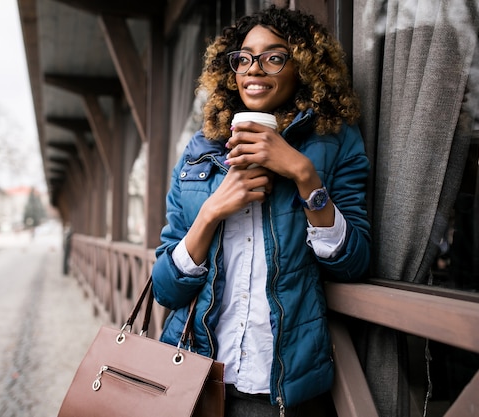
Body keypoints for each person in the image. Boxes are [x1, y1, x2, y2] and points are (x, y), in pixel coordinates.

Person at [151, 6, 371, 416]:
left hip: (277, 388)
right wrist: (211, 212)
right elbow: (166, 288)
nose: (255, 69)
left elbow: (353, 263)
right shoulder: (200, 151)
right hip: (195, 380)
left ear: (303, 65)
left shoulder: (334, 142)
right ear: (230, 69)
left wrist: (304, 174)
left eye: (274, 56)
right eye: (244, 58)